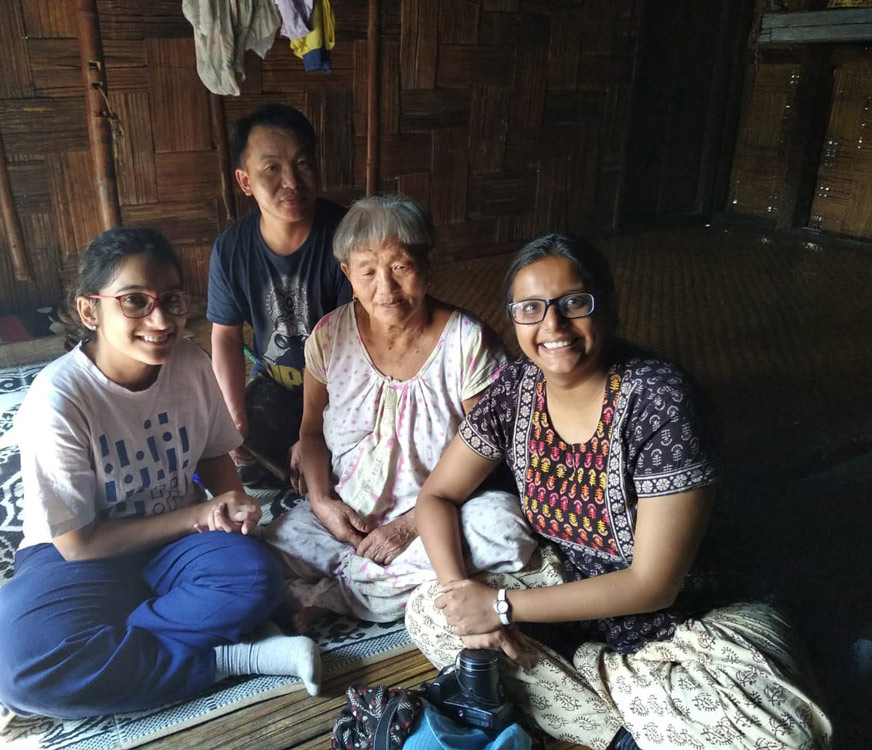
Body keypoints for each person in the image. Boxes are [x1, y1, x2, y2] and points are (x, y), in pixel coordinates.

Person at [404, 234, 833, 750]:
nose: (553, 326)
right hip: (575, 603)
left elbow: (654, 585)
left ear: (606, 305)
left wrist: (498, 607)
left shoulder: (660, 398)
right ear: (514, 318)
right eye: (531, 309)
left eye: (573, 303)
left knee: (781, 738)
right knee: (431, 609)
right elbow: (437, 497)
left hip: (691, 625)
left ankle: (607, 717)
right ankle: (630, 731)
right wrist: (464, 597)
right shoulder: (516, 386)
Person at [0, 228, 320, 720]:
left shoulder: (189, 362)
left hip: (173, 544)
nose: (160, 320)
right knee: (24, 671)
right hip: (78, 557)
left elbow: (212, 456)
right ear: (89, 311)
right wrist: (199, 515)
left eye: (171, 300)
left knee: (256, 574)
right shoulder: (59, 399)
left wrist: (235, 511)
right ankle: (233, 656)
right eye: (134, 301)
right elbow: (77, 544)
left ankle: (126, 648)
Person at [261, 195, 537, 626]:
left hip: (442, 515)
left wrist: (410, 526)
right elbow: (310, 434)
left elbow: (490, 457)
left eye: (401, 267)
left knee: (505, 531)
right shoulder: (329, 337)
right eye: (368, 271)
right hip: (348, 516)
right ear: (347, 274)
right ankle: (381, 591)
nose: (385, 289)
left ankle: (335, 596)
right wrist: (322, 503)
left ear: (427, 264)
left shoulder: (467, 343)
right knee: (261, 552)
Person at [208, 103, 351, 486]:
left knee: (358, 458)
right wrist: (233, 419)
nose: (291, 181)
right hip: (276, 383)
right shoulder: (231, 249)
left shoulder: (347, 239)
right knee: (238, 454)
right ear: (245, 181)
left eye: (302, 163)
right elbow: (226, 335)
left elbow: (353, 349)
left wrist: (311, 433)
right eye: (272, 168)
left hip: (342, 389)